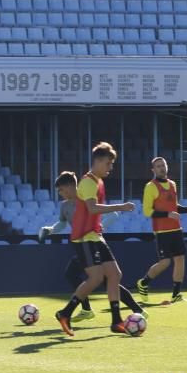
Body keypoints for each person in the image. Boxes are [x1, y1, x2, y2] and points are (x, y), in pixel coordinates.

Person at [53, 144, 138, 336]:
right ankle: (65, 313)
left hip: (95, 236)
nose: (110, 167)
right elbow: (92, 208)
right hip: (84, 239)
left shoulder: (98, 181)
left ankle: (116, 321)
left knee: (115, 275)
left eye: (112, 163)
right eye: (108, 163)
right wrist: (121, 206)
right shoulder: (88, 182)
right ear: (98, 161)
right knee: (96, 278)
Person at [39, 172, 134, 322]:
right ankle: (93, 311)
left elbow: (113, 214)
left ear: (70, 186)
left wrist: (102, 224)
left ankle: (82, 311)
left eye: (61, 190)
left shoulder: (85, 200)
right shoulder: (64, 206)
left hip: (92, 243)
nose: (60, 193)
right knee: (100, 277)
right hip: (81, 244)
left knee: (105, 278)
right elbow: (62, 223)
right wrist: (50, 230)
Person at [135, 157, 187, 305]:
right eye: (158, 166)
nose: (161, 168)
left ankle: (176, 294)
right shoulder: (150, 187)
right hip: (161, 231)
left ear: (167, 167)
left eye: (163, 165)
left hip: (176, 229)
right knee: (165, 262)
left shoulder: (172, 184)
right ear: (153, 170)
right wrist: (167, 214)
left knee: (180, 260)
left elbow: (174, 207)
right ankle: (144, 283)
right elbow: (147, 211)